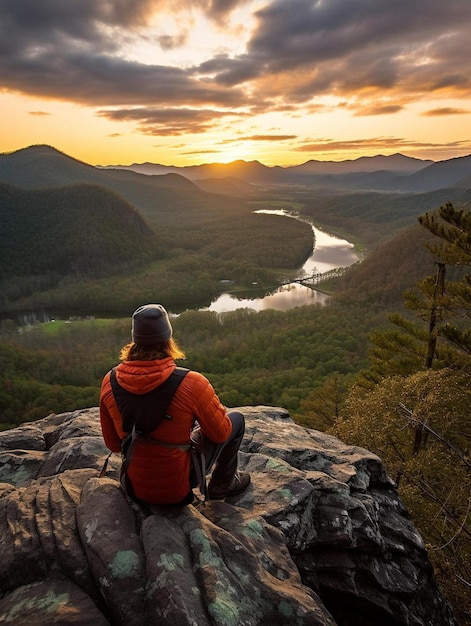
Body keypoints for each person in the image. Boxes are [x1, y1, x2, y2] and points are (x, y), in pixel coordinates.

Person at [99, 303, 250, 506]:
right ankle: (221, 487)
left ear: (134, 340)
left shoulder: (110, 381)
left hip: (133, 487)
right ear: (168, 339)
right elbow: (221, 433)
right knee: (236, 420)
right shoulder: (191, 383)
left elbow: (113, 444)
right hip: (177, 491)